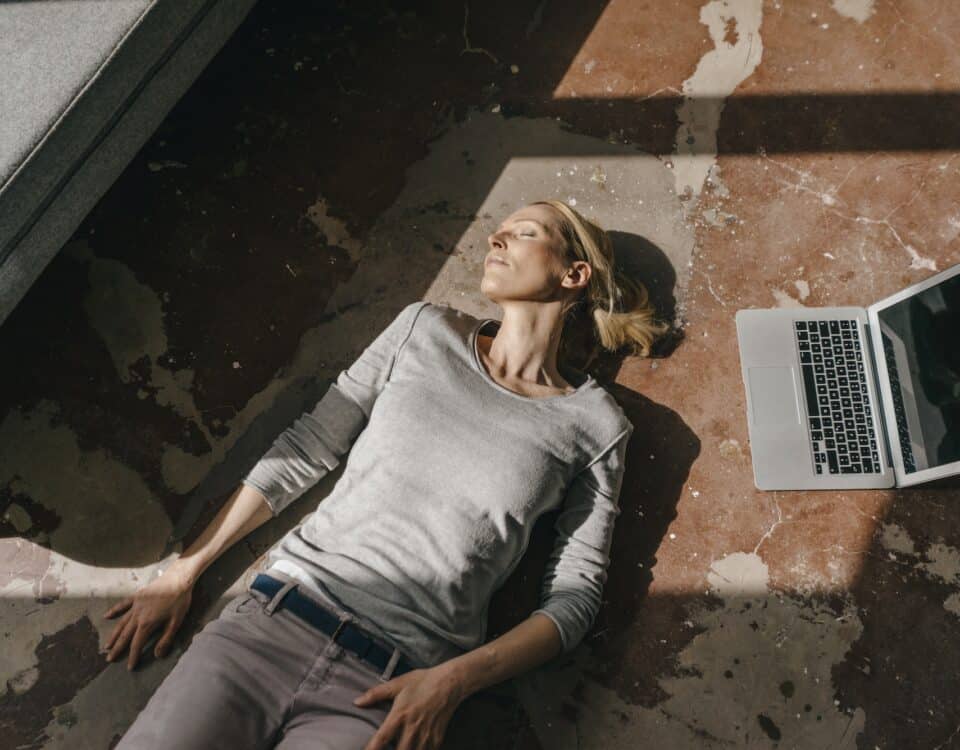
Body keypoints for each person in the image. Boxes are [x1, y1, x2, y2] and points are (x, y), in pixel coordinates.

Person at [107, 200, 668, 750]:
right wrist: (186, 572)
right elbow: (308, 447)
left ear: (574, 274)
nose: (495, 240)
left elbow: (574, 598)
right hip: (265, 631)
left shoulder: (596, 425)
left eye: (522, 232)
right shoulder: (422, 330)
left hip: (391, 693)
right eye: (497, 231)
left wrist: (453, 683)